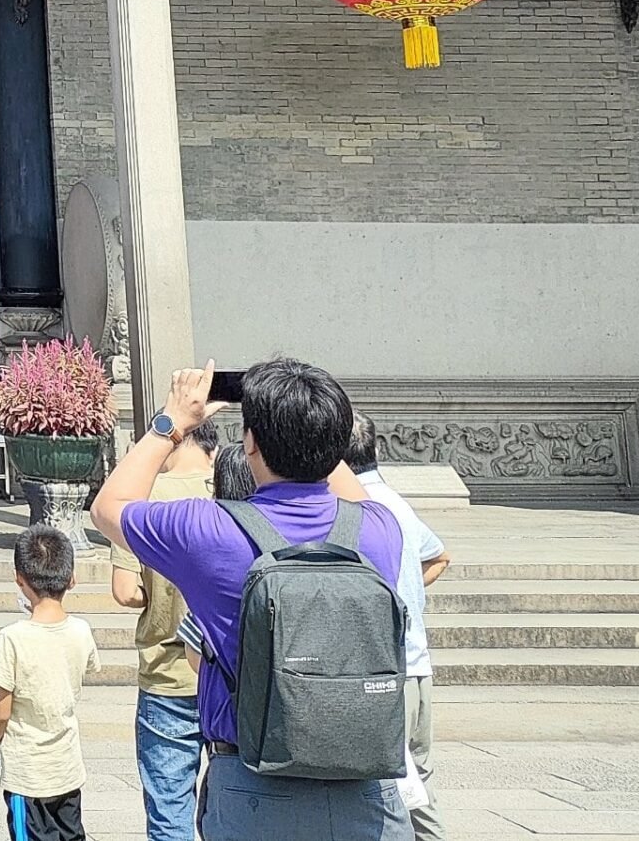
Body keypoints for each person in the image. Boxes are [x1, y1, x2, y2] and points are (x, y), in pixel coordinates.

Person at [92, 358, 413, 841]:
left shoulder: (209, 529)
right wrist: (309, 421)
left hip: (252, 782)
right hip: (366, 789)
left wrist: (172, 422)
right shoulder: (380, 530)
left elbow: (108, 507)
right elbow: (344, 483)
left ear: (250, 443)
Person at [108, 419, 217, 841]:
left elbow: (126, 592)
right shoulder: (238, 491)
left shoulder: (141, 500)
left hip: (166, 675)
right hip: (228, 676)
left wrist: (162, 592)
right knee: (231, 804)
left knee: (169, 812)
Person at [347, 413, 453, 838]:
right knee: (415, 787)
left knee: (389, 795)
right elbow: (440, 556)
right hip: (416, 665)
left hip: (384, 673)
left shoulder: (355, 511)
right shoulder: (396, 503)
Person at [0, 523, 98, 840]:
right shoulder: (81, 631)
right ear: (72, 579)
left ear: (19, 579)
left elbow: (1, 711)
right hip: (68, 767)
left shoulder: (13, 639)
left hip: (27, 775)